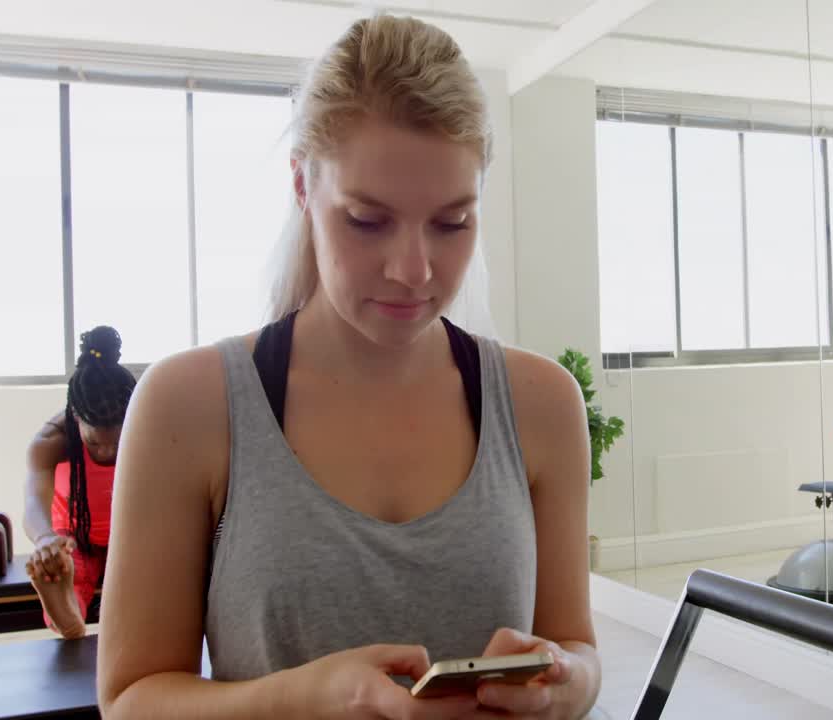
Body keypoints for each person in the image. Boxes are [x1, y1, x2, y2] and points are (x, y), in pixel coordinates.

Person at [96, 14, 601, 719]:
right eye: (367, 220)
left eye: (453, 222)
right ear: (302, 185)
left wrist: (572, 683)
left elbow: (574, 642)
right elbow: (130, 702)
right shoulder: (190, 406)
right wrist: (308, 697)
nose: (414, 269)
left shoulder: (541, 403)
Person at [23, 325, 135, 639]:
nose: (108, 451)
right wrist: (45, 539)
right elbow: (34, 498)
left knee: (150, 578)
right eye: (96, 444)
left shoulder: (146, 428)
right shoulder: (51, 440)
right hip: (74, 537)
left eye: (116, 443)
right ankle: (69, 619)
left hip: (129, 533)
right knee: (64, 566)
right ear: (75, 417)